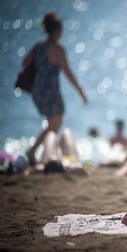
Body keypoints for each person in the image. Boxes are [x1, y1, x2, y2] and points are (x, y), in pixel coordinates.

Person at [24, 12, 88, 165]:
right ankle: (37, 151)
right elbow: (68, 72)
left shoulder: (38, 47)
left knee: (52, 121)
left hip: (37, 89)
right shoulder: (58, 49)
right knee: (55, 122)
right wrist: (81, 92)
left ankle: (43, 152)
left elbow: (25, 63)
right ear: (57, 30)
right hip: (50, 90)